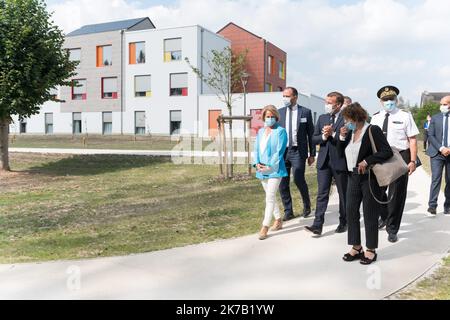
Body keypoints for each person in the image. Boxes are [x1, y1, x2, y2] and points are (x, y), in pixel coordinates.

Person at [337, 103, 393, 265]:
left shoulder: (372, 130)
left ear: (356, 117)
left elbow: (386, 151)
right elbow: (340, 153)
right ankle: (356, 247)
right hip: (352, 176)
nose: (346, 123)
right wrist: (341, 137)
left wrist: (367, 160)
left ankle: (370, 249)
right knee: (351, 211)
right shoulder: (349, 132)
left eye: (348, 119)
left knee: (370, 213)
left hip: (369, 178)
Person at [370, 86, 419, 243]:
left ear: (396, 100)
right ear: (380, 101)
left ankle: (392, 228)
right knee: (377, 191)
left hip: (400, 156)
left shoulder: (405, 116)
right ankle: (384, 216)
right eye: (385, 100)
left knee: (397, 195)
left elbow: (412, 139)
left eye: (391, 99)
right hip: (380, 156)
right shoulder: (375, 117)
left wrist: (412, 161)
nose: (388, 102)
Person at [305, 92, 348, 236]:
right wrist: (324, 136)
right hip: (323, 162)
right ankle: (318, 225)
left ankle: (344, 221)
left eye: (330, 103)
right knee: (322, 193)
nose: (327, 105)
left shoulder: (346, 119)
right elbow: (314, 139)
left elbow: (346, 140)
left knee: (343, 194)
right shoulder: (322, 118)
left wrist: (333, 135)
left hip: (340, 161)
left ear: (339, 105)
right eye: (326, 102)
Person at [278, 87, 316, 221]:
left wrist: (312, 154)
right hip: (283, 152)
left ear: (295, 97)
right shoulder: (279, 112)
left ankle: (307, 206)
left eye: (287, 96)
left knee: (298, 179)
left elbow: (310, 134)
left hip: (298, 151)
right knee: (283, 183)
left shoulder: (305, 112)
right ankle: (288, 211)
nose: (285, 98)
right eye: (283, 96)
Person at [253, 105, 288, 240]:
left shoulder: (281, 131)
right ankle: (278, 219)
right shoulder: (260, 132)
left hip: (275, 170)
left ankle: (265, 226)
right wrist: (256, 163)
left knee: (269, 197)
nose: (270, 118)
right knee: (270, 196)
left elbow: (279, 152)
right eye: (268, 116)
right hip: (261, 170)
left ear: (276, 117)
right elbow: (256, 149)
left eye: (272, 116)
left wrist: (270, 166)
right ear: (263, 117)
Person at [426, 96, 450, 215]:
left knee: (449, 180)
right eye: (441, 104)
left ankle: (448, 206)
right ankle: (432, 206)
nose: (442, 106)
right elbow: (431, 135)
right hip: (436, 153)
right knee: (436, 179)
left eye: (444, 104)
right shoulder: (435, 118)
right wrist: (441, 148)